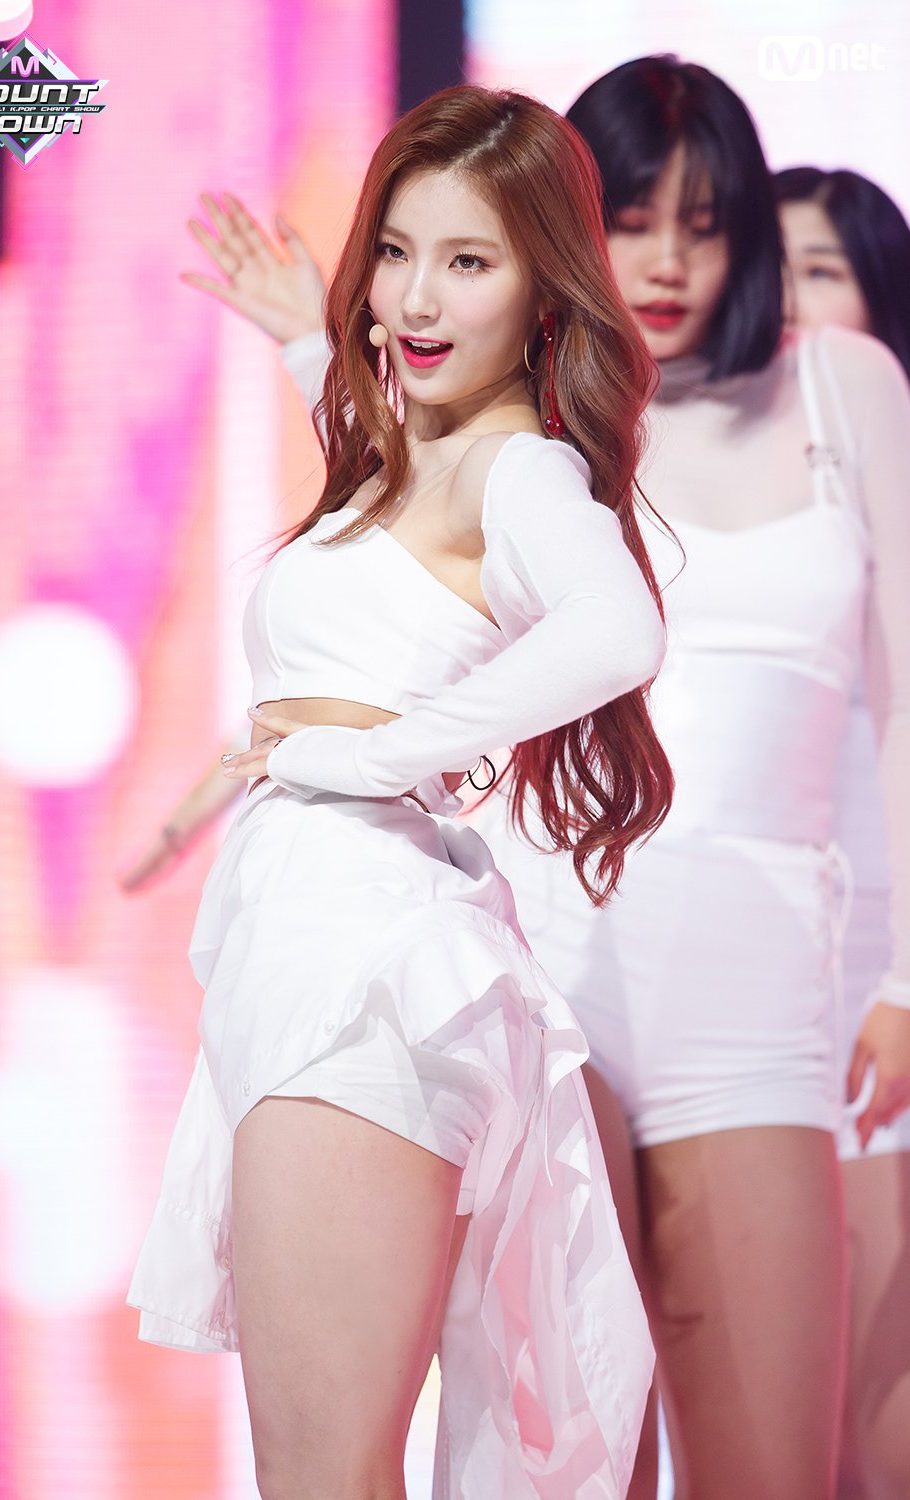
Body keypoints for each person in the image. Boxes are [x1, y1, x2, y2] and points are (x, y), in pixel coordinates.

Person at [186, 58, 910, 1500]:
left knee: (777, 1459)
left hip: (757, 982)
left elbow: (891, 696)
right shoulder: (531, 431)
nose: (667, 259)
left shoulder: (832, 387)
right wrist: (316, 344)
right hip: (543, 953)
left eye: (702, 224)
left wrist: (905, 967)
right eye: (631, 219)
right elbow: (410, 513)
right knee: (551, 1461)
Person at [125, 83, 674, 1500]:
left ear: (544, 284)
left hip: (363, 973)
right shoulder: (411, 459)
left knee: (323, 1473)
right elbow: (380, 548)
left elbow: (617, 630)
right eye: (397, 250)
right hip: (316, 943)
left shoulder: (518, 469)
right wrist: (305, 339)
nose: (417, 297)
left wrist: (377, 755)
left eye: (469, 260)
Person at [775, 164, 910, 1500]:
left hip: (884, 974)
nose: (786, 300)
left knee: (877, 1414)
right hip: (757, 983)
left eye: (820, 271)